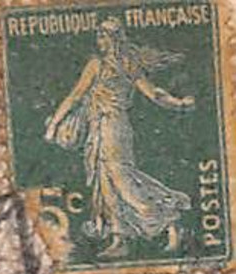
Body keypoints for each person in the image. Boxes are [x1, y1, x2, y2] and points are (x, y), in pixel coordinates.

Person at [44, 18, 195, 258]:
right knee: (105, 184)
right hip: (97, 129)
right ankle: (119, 238)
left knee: (121, 179)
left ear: (116, 39)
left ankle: (169, 217)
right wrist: (54, 124)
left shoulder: (126, 64)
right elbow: (75, 96)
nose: (100, 40)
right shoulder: (96, 64)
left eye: (104, 36)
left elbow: (153, 92)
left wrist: (178, 104)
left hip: (115, 127)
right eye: (99, 36)